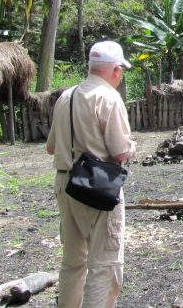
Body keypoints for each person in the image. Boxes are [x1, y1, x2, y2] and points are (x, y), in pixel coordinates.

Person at [47, 40, 137, 308]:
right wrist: (133, 147)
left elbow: (51, 147)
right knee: (104, 263)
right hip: (97, 188)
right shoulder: (109, 98)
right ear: (116, 70)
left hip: (65, 184)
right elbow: (120, 152)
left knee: (73, 262)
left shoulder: (66, 96)